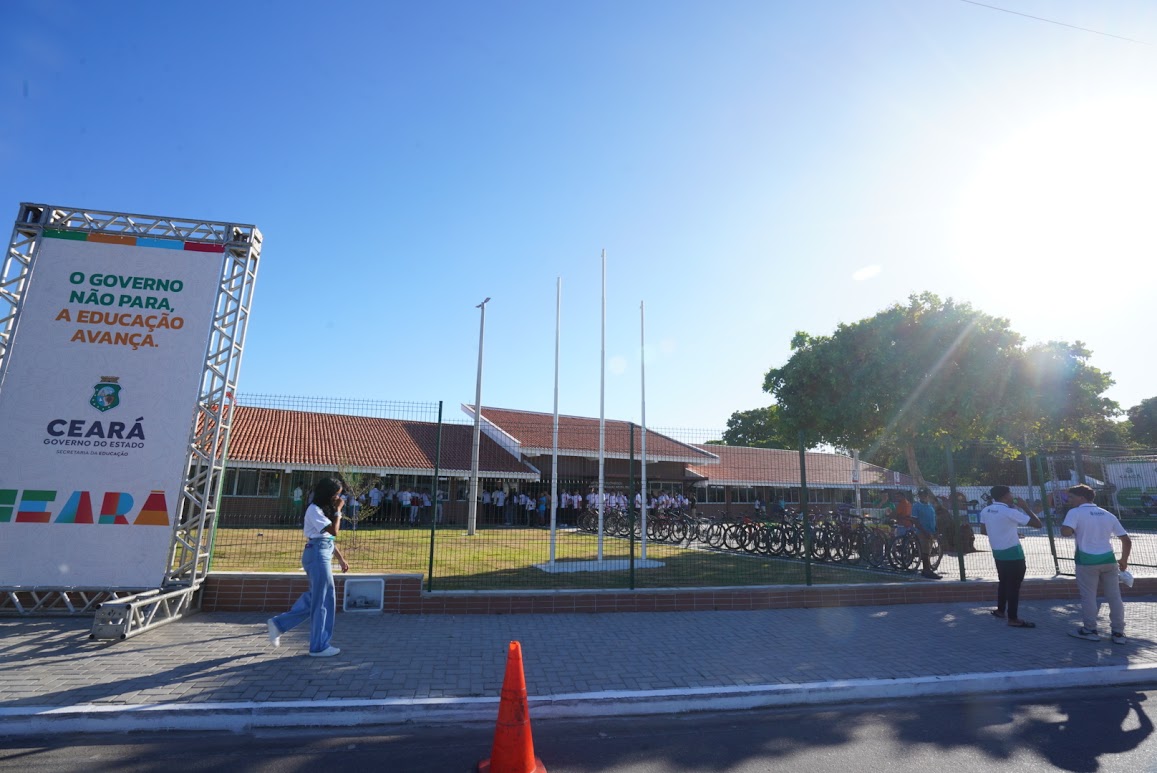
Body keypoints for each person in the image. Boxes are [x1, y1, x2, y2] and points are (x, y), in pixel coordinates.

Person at [266, 477, 350, 657]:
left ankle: (279, 624)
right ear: (329, 493)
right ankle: (318, 646)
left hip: (323, 552)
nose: (338, 498)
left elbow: (328, 539)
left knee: (317, 598)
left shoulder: (320, 510)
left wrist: (341, 559)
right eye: (336, 494)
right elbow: (333, 531)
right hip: (317, 554)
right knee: (323, 601)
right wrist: (338, 511)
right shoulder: (313, 510)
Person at [1061, 484, 1132, 644]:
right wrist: (1124, 560)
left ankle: (1090, 630)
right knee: (1115, 597)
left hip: (1086, 561)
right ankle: (1118, 633)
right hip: (1109, 560)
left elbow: (1065, 532)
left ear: (1081, 498)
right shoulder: (1107, 514)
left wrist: (1068, 525)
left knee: (1088, 597)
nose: (1069, 500)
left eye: (1071, 497)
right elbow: (1126, 540)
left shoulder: (1074, 512)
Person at [979, 485, 1042, 628]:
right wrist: (1025, 507)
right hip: (1013, 554)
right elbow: (1038, 524)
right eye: (1010, 493)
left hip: (998, 552)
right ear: (1005, 496)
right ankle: (1013, 618)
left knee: (1003, 582)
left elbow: (983, 531)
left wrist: (1006, 533)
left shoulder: (986, 510)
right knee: (1014, 586)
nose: (1012, 495)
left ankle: (1001, 610)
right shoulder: (1010, 512)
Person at [913, 489, 941, 579]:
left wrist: (936, 530)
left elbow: (934, 519)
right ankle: (926, 570)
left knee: (928, 551)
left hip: (931, 532)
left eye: (925, 495)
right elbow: (914, 520)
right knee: (925, 552)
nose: (923, 497)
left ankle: (927, 569)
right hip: (922, 532)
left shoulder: (930, 506)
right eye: (921, 495)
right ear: (919, 496)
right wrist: (924, 532)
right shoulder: (916, 506)